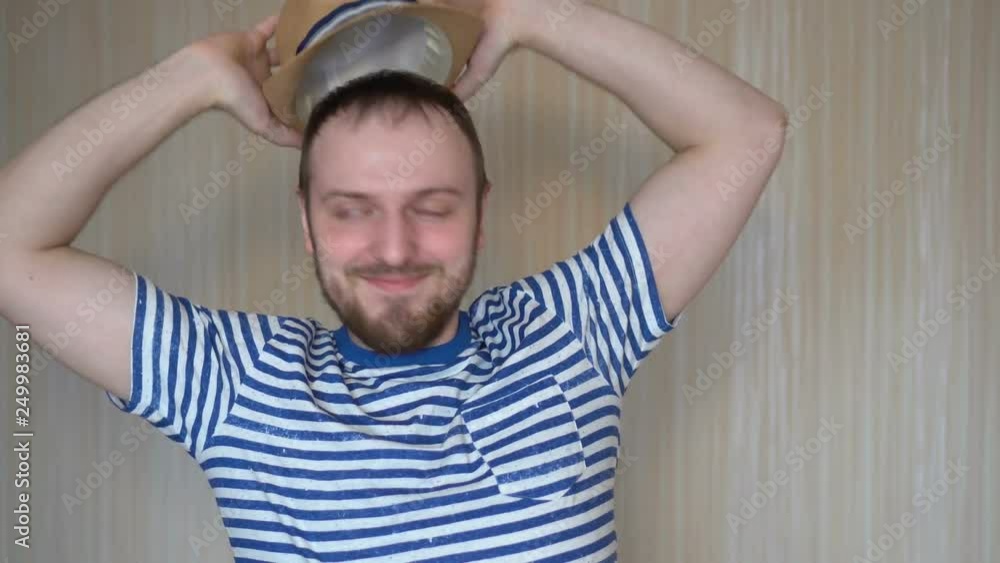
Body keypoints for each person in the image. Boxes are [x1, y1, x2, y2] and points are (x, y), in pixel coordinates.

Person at [0, 0, 787, 560]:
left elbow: (748, 133)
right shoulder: (240, 383)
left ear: (481, 213)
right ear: (307, 223)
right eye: (351, 210)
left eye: (432, 206)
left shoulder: (567, 332)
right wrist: (190, 78)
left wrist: (530, 15)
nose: (394, 247)